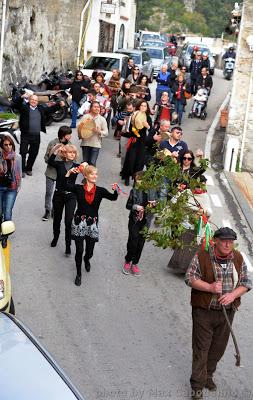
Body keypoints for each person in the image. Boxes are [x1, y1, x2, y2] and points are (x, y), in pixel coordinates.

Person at [185, 227, 252, 399]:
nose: (228, 244)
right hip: (204, 311)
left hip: (227, 313)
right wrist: (209, 287)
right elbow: (189, 277)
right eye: (224, 241)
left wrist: (232, 295)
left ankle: (208, 375)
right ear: (215, 241)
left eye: (231, 241)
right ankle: (197, 385)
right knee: (201, 348)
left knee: (217, 349)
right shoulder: (202, 256)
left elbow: (246, 282)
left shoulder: (237, 258)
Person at [65, 163, 118, 286]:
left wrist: (115, 190)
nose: (95, 176)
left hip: (92, 224)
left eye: (96, 174)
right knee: (79, 250)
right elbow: (66, 186)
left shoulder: (100, 191)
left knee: (89, 252)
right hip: (79, 222)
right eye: (92, 173)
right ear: (86, 175)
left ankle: (87, 259)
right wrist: (68, 173)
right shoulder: (78, 188)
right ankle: (78, 274)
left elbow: (113, 198)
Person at [17, 94, 64, 177]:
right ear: (29, 100)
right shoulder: (24, 108)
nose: (34, 101)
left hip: (36, 135)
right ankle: (22, 169)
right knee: (23, 152)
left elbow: (50, 110)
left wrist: (59, 105)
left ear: (37, 102)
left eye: (36, 100)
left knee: (34, 152)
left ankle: (29, 168)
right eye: (32, 99)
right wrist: (21, 97)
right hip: (25, 134)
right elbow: (16, 105)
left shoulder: (40, 108)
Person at [122, 171, 157, 276]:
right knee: (133, 241)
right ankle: (128, 261)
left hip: (146, 221)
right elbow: (128, 205)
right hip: (134, 220)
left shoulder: (153, 192)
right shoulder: (134, 191)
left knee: (140, 243)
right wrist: (135, 207)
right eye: (137, 180)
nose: (138, 182)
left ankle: (135, 263)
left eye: (140, 180)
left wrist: (155, 205)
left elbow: (158, 204)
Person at [48, 144, 80, 255]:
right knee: (57, 219)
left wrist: (86, 166)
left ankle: (68, 245)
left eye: (74, 153)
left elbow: (88, 170)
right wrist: (56, 151)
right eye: (70, 152)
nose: (72, 154)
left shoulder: (77, 166)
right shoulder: (59, 164)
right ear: (65, 153)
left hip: (71, 196)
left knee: (68, 221)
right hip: (58, 195)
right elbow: (50, 161)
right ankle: (55, 237)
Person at [42, 126, 73, 221]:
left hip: (62, 173)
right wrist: (53, 159)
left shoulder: (70, 144)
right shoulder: (52, 143)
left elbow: (72, 158)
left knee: (59, 194)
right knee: (49, 192)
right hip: (51, 172)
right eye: (69, 134)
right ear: (63, 135)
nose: (70, 136)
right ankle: (47, 210)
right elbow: (46, 157)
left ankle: (55, 210)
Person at [121, 100, 152, 186]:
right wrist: (132, 129)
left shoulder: (148, 117)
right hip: (134, 140)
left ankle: (136, 179)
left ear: (147, 108)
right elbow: (128, 129)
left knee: (139, 161)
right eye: (141, 105)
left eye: (145, 106)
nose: (143, 107)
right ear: (139, 106)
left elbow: (151, 130)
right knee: (130, 159)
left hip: (142, 142)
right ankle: (127, 177)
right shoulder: (134, 115)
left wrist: (148, 126)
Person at [78, 101, 108, 166]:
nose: (97, 108)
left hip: (96, 144)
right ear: (91, 108)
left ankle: (91, 176)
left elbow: (106, 133)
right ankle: (85, 176)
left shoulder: (102, 119)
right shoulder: (85, 117)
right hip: (85, 143)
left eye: (98, 107)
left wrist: (99, 132)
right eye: (95, 107)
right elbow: (79, 128)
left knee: (92, 163)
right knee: (85, 164)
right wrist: (81, 134)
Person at [0, 135, 21, 226]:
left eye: (10, 145)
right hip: (0, 187)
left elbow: (19, 173)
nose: (8, 147)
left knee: (7, 213)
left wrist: (18, 187)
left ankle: (5, 236)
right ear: (1, 146)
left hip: (12, 188)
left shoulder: (17, 157)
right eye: (6, 145)